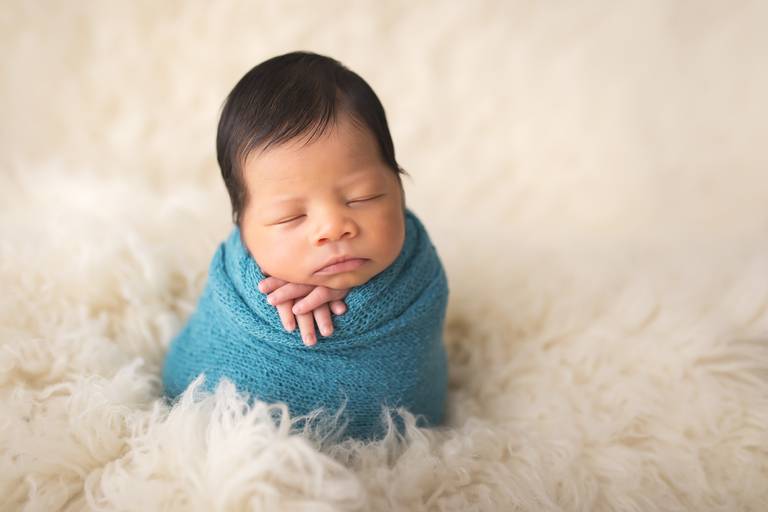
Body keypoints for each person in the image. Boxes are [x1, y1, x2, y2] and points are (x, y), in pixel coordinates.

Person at [162, 51, 449, 441]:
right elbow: (196, 370)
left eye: (362, 197)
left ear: (398, 188)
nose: (333, 228)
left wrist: (362, 297)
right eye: (290, 217)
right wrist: (266, 295)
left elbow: (415, 369)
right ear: (243, 230)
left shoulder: (418, 271)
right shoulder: (236, 283)